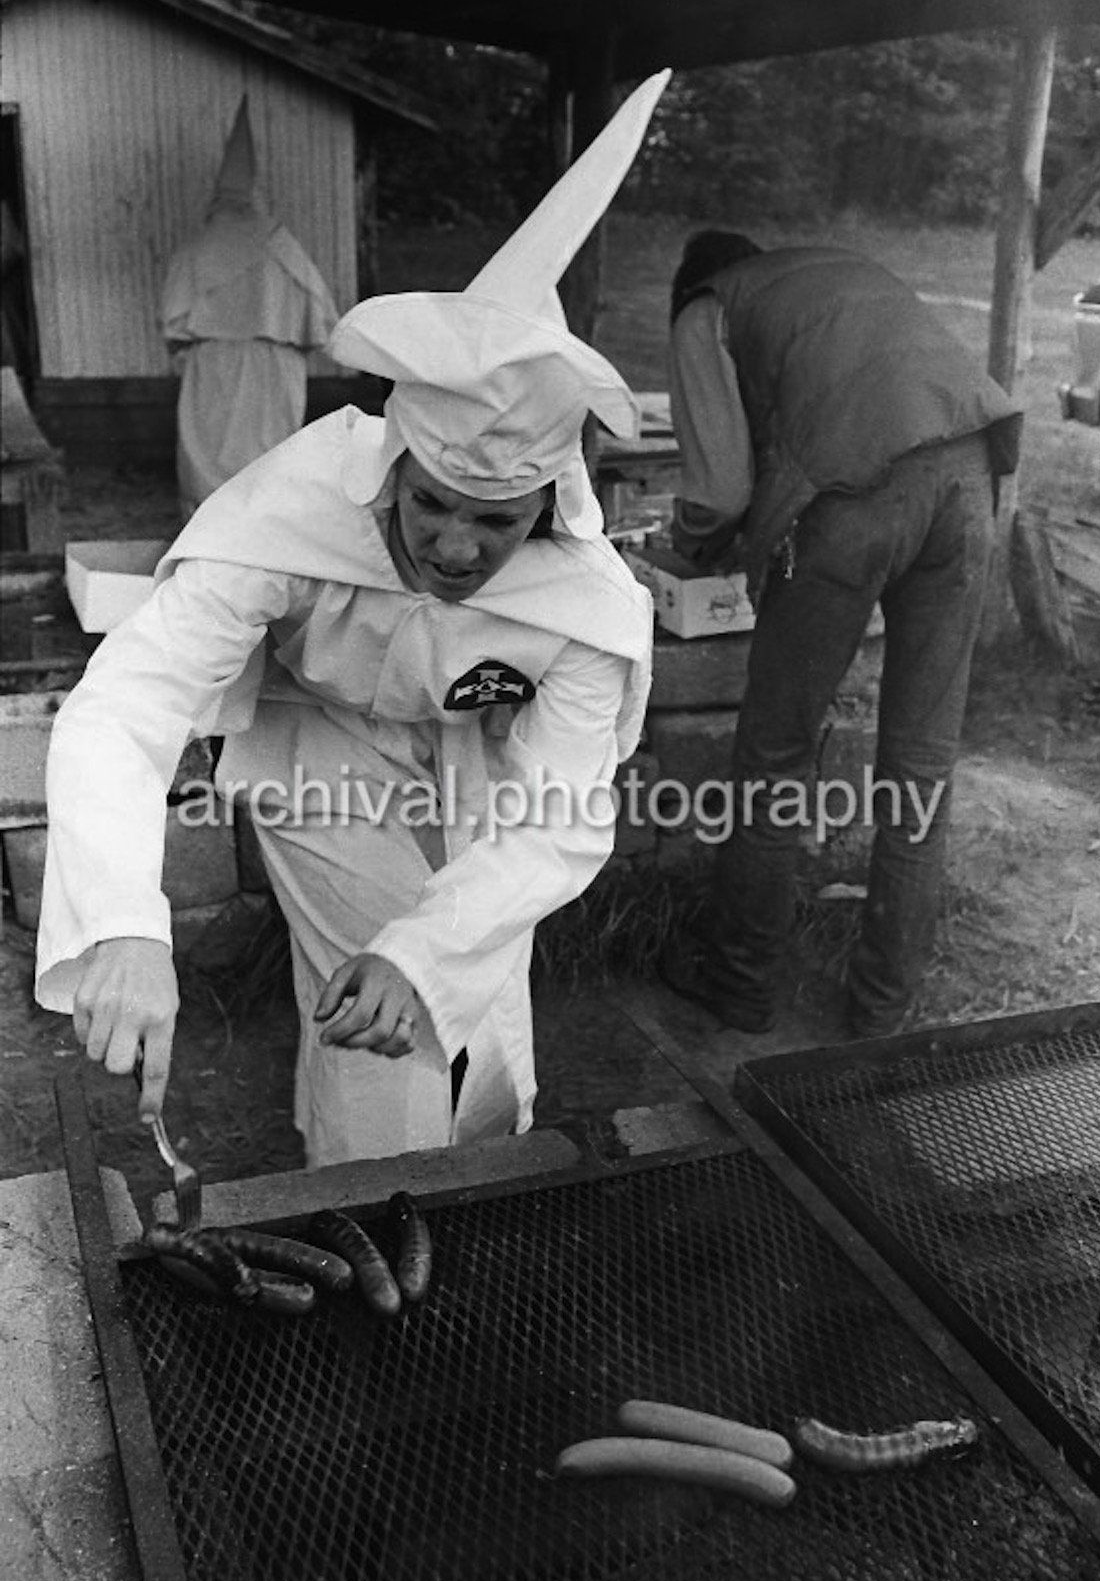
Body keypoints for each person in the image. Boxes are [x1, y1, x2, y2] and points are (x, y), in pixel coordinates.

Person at [36, 70, 670, 1167]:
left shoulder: (585, 605)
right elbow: (125, 707)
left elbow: (560, 816)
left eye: (497, 522)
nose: (455, 547)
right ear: (393, 467)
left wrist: (432, 955)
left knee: (467, 968)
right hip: (315, 737)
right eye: (431, 504)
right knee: (366, 983)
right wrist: (125, 920)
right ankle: (371, 1199)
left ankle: (483, 1171)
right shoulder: (292, 510)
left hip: (482, 756)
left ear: (550, 506)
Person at [660, 229, 1023, 1040]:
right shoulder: (830, 273)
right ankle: (882, 1010)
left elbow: (717, 493)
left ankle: (739, 982)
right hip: (968, 479)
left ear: (695, 285)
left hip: (854, 497)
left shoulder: (705, 310)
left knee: (775, 757)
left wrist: (685, 548)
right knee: (922, 767)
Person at [161, 96, 339, 523]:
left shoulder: (199, 248)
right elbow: (321, 318)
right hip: (272, 365)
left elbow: (173, 321)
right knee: (266, 451)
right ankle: (261, 529)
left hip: (215, 364)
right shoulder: (282, 246)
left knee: (211, 454)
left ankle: (214, 528)